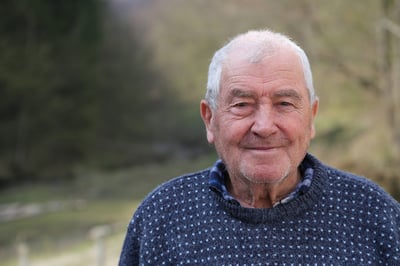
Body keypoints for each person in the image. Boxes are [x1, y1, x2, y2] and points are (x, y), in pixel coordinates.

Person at [119, 29, 400, 265]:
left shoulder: (374, 213)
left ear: (311, 117)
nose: (264, 126)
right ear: (210, 119)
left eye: (285, 104)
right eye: (242, 105)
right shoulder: (162, 216)